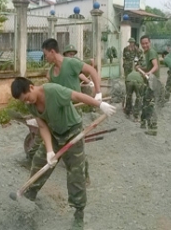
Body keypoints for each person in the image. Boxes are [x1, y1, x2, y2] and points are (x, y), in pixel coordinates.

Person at [10, 77, 116, 230]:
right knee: (39, 162)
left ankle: (79, 214)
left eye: (26, 98)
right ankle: (30, 195)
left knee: (75, 174)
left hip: (72, 132)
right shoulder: (31, 105)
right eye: (23, 101)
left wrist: (100, 104)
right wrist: (49, 151)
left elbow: (76, 96)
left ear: (32, 87)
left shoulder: (52, 91)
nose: (27, 102)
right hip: (54, 133)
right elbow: (43, 126)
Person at [43, 39, 102, 186]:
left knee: (77, 144)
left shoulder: (71, 63)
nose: (45, 58)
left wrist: (98, 92)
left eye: (45, 54)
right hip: (61, 112)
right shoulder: (50, 73)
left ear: (52, 52)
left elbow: (92, 71)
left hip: (76, 109)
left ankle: (84, 174)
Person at [137, 35, 160, 135]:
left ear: (149, 43)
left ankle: (153, 129)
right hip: (147, 82)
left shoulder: (151, 52)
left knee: (150, 104)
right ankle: (144, 123)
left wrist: (149, 73)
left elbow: (156, 66)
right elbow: (147, 67)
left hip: (152, 82)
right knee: (145, 103)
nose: (145, 45)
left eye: (146, 43)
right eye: (143, 43)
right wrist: (139, 68)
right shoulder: (145, 53)